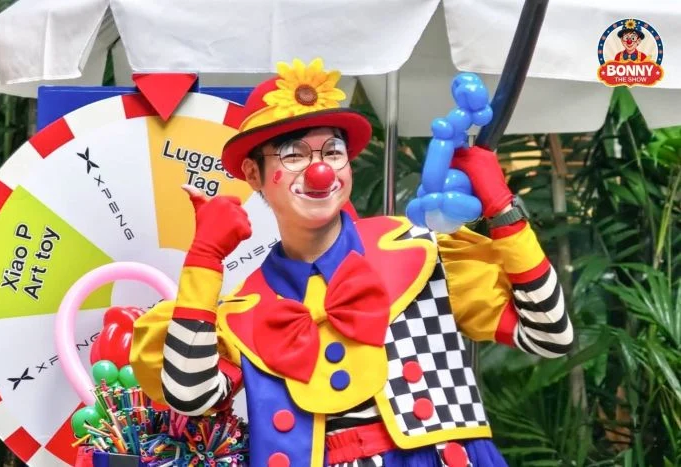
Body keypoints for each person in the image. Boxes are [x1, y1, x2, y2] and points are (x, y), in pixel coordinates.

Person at [130, 58, 574, 466]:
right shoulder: (245, 309)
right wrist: (204, 259)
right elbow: (190, 397)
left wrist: (503, 211)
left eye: (332, 152)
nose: (319, 170)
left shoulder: (419, 252)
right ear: (252, 175)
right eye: (293, 155)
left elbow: (551, 336)